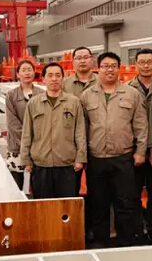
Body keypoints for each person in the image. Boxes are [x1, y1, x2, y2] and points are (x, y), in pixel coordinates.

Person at [80, 52, 148, 247]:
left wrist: (140, 151)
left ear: (119, 68)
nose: (109, 70)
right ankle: (100, 244)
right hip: (96, 158)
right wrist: (82, 156)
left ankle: (126, 243)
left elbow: (141, 125)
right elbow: (82, 129)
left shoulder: (131, 94)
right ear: (98, 69)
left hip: (123, 158)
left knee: (125, 203)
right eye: (105, 66)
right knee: (98, 203)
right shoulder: (87, 95)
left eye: (113, 66)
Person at [20, 62, 87, 199]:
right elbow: (27, 134)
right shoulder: (34, 103)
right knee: (43, 206)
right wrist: (26, 160)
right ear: (43, 79)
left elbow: (80, 132)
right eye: (50, 75)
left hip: (67, 164)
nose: (54, 79)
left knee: (67, 206)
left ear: (63, 78)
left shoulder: (74, 102)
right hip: (41, 164)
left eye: (58, 75)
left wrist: (80, 158)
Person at [128, 48, 152, 243]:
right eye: (142, 62)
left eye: (150, 62)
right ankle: (136, 229)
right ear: (136, 64)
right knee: (132, 193)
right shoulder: (126, 89)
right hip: (134, 151)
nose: (146, 66)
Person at [62, 46, 100, 196]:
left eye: (86, 57)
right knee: (71, 185)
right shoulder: (64, 84)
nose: (82, 61)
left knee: (97, 186)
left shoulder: (101, 81)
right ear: (73, 62)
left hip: (97, 139)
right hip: (72, 141)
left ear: (92, 60)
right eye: (78, 58)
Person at [5, 60, 44, 190]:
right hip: (17, 146)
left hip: (40, 146)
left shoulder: (42, 94)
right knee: (16, 185)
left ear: (34, 73)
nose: (27, 73)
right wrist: (27, 142)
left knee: (38, 183)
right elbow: (12, 123)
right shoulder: (11, 95)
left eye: (29, 70)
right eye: (24, 70)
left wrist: (37, 141)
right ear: (18, 74)